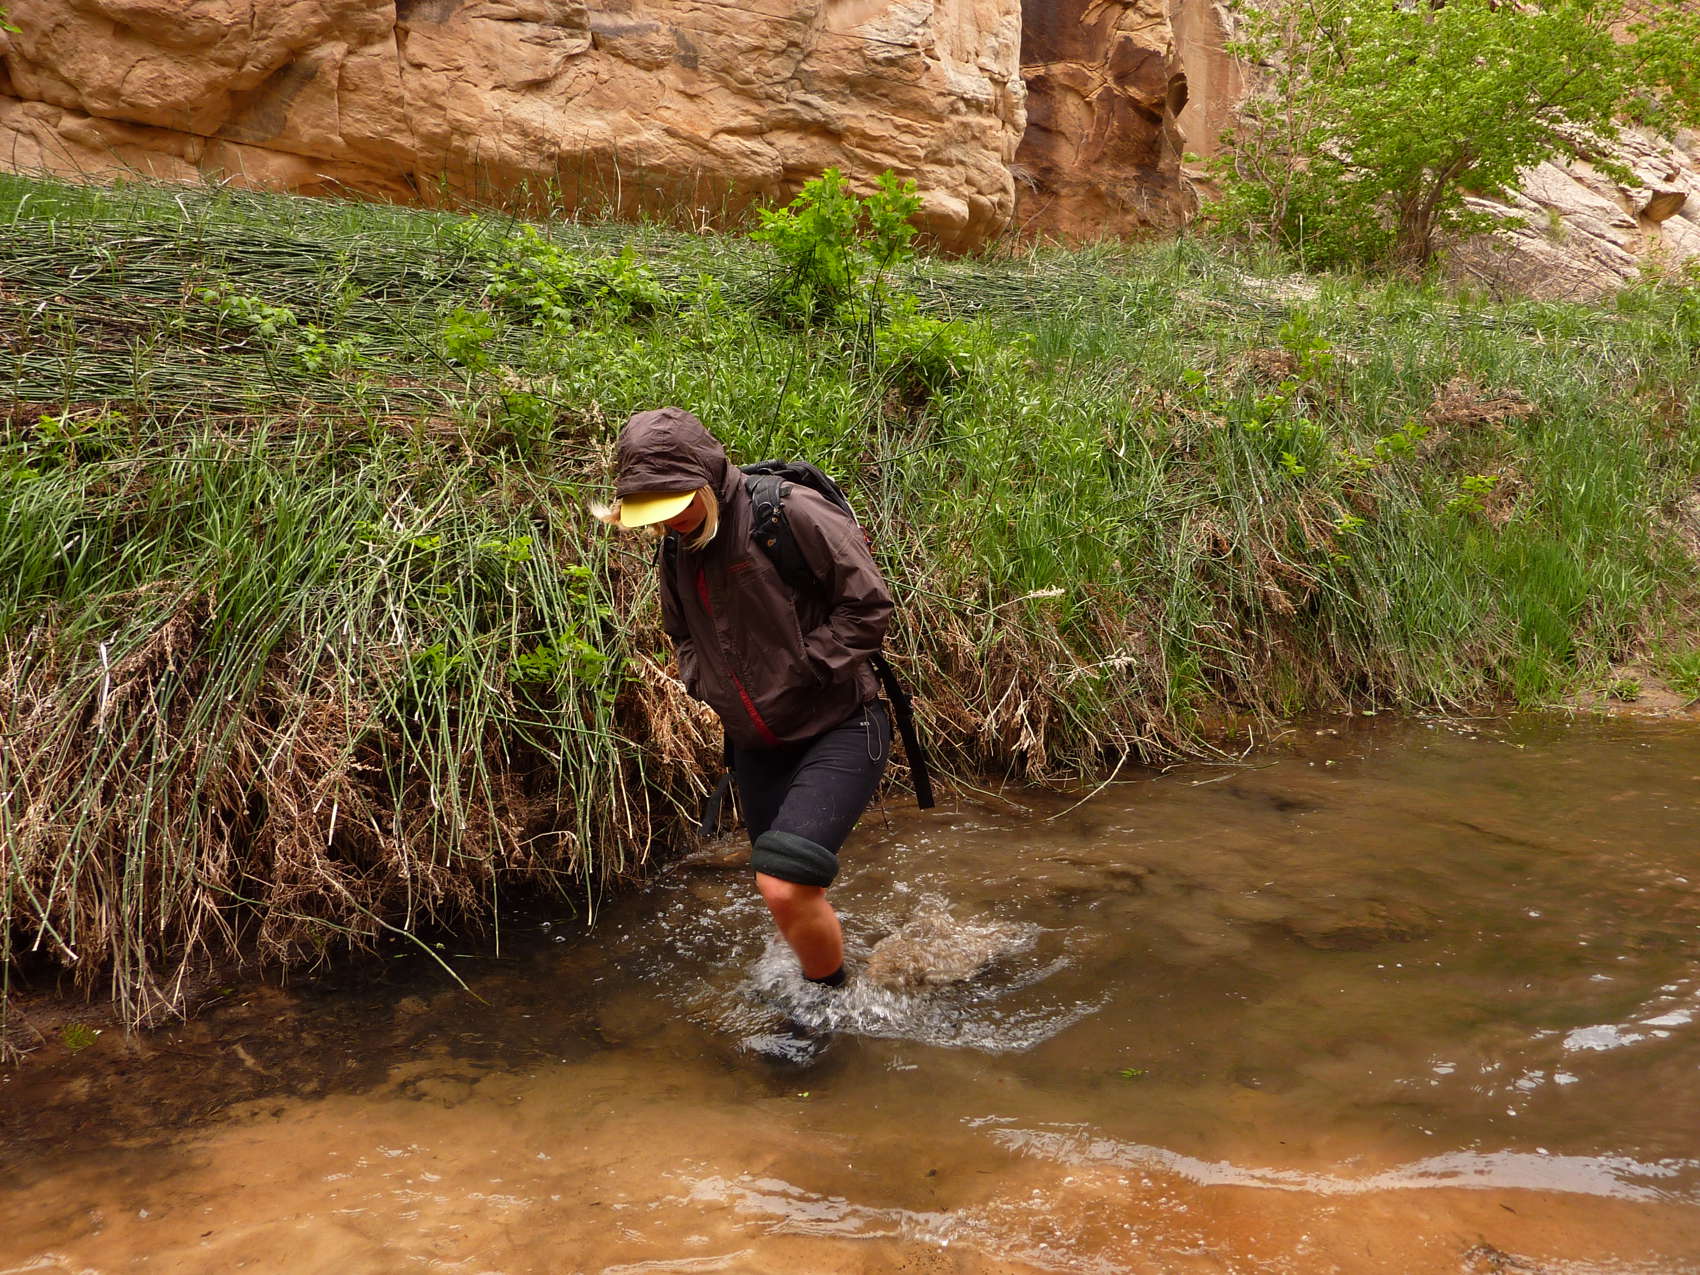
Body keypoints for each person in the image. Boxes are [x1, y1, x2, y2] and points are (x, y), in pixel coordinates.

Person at [601, 406, 892, 988]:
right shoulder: (678, 546)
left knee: (783, 881)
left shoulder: (787, 511)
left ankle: (829, 999)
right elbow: (682, 633)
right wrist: (705, 683)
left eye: (675, 503)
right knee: (781, 883)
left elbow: (867, 606)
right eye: (654, 511)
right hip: (757, 742)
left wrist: (801, 669)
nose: (668, 521)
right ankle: (824, 976)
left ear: (704, 479)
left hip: (840, 722)